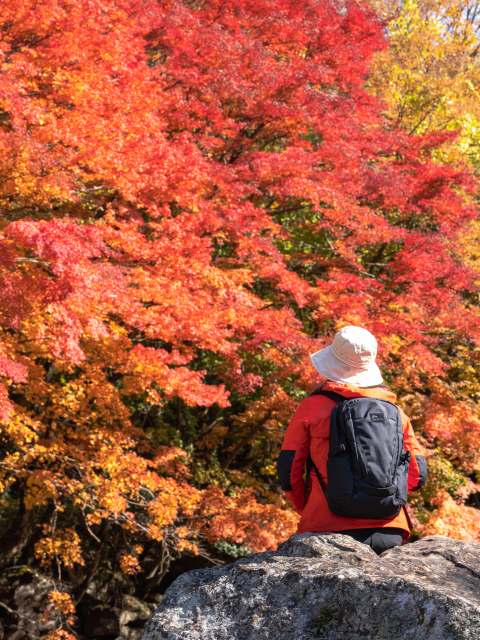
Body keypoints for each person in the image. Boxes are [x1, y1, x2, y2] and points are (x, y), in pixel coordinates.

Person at [277, 326, 427, 555]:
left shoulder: (313, 407)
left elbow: (289, 472)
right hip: (390, 530)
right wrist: (380, 500)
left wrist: (308, 507)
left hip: (327, 527)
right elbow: (417, 477)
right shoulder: (395, 412)